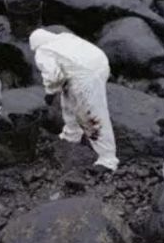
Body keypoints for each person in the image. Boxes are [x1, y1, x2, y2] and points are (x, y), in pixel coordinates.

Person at [29, 29, 118, 171]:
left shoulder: (43, 51)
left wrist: (50, 93)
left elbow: (54, 77)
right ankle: (72, 134)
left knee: (91, 116)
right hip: (99, 64)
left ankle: (108, 160)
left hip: (86, 76)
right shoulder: (65, 37)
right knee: (68, 100)